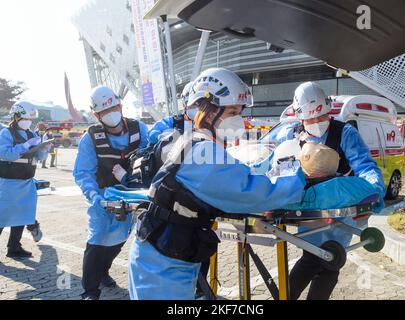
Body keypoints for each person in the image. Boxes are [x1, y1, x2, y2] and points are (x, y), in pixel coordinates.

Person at [128, 68, 307, 300]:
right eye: (232, 111)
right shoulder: (203, 151)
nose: (238, 118)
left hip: (163, 255)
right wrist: (298, 178)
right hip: (161, 265)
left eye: (239, 111)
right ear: (208, 110)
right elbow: (251, 192)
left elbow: (233, 180)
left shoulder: (198, 143)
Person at [281, 81, 386, 300]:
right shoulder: (295, 136)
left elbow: (365, 166)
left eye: (322, 117)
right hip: (311, 206)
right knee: (311, 256)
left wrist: (373, 191)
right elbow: (278, 163)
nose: (318, 123)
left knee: (330, 260)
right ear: (300, 117)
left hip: (340, 205)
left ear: (329, 111)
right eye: (311, 119)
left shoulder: (345, 133)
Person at [73, 86, 149, 300]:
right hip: (103, 195)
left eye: (114, 107)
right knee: (98, 240)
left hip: (131, 194)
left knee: (119, 238)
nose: (111, 114)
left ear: (121, 105)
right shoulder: (91, 138)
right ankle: (90, 291)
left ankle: (104, 270)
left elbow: (150, 157)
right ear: (96, 115)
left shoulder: (139, 129)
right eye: (104, 112)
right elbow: (83, 172)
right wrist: (94, 196)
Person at [0, 101, 48, 258]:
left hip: (27, 181)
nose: (28, 122)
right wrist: (25, 146)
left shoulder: (32, 134)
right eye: (25, 118)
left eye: (30, 119)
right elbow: (7, 154)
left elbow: (39, 158)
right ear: (16, 116)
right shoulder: (6, 134)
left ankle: (14, 247)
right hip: (8, 182)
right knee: (2, 216)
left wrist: (44, 148)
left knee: (22, 214)